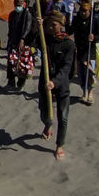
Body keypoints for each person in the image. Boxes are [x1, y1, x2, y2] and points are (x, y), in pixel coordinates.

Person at [37, 11, 77, 160]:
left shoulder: (68, 44)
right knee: (44, 112)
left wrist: (54, 82)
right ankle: (48, 125)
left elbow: (66, 68)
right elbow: (29, 41)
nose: (51, 27)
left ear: (61, 25)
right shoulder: (44, 38)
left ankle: (59, 145)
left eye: (54, 25)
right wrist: (37, 27)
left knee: (63, 116)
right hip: (44, 82)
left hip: (61, 85)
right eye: (49, 25)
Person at [69, 0, 97, 104]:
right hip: (80, 51)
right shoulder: (77, 20)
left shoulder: (94, 21)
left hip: (90, 51)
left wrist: (93, 37)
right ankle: (84, 93)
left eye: (85, 11)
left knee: (89, 74)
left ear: (89, 11)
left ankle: (90, 93)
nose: (83, 13)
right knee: (81, 74)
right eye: (82, 11)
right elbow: (70, 30)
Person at [4, 0, 34, 90]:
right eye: (17, 3)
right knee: (11, 62)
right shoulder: (12, 14)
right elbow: (10, 28)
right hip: (13, 41)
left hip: (23, 43)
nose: (18, 5)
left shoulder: (27, 14)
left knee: (22, 62)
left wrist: (23, 38)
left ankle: (21, 82)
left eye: (20, 3)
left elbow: (28, 27)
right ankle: (11, 81)